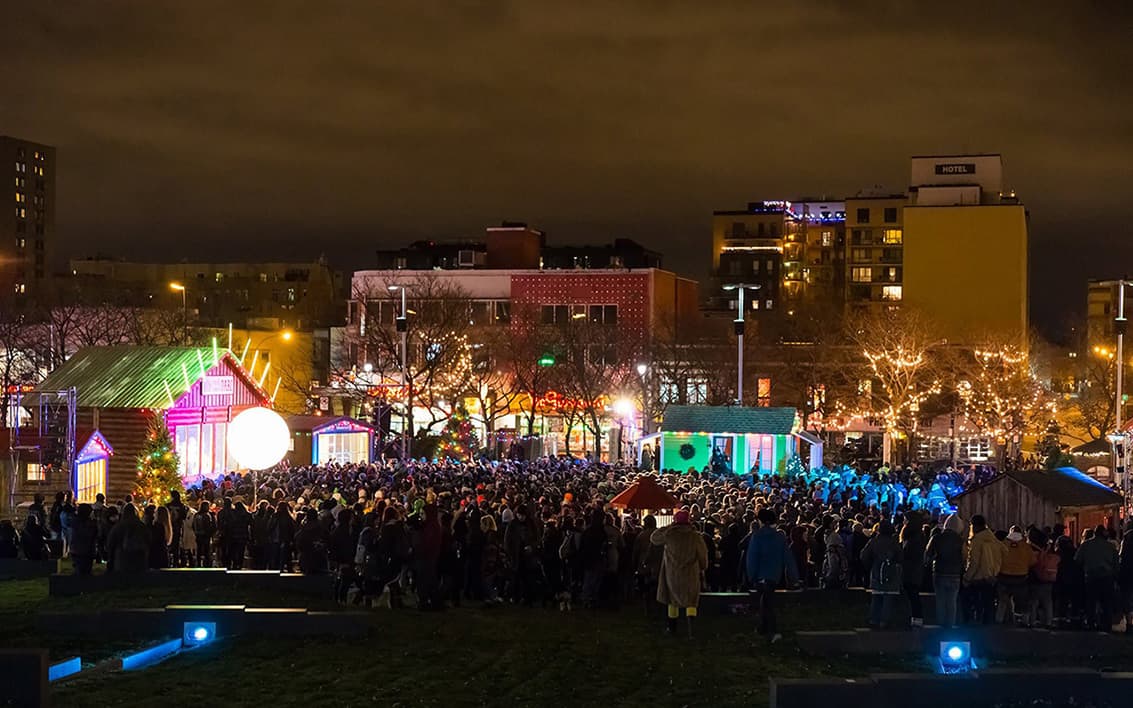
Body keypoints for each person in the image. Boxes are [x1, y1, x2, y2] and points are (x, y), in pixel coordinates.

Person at [651, 508, 708, 637]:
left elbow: (654, 538)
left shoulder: (670, 534)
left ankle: (672, 628)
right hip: (691, 572)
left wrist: (667, 527)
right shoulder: (695, 536)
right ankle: (690, 628)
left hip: (672, 572)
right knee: (691, 599)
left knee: (672, 599)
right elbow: (703, 556)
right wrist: (703, 567)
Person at [745, 508, 798, 642]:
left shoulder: (756, 536)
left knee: (766, 603)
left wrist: (751, 575)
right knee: (767, 602)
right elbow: (788, 558)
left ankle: (770, 631)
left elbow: (752, 558)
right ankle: (764, 629)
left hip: (760, 576)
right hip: (774, 576)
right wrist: (794, 577)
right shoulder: (780, 537)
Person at [924, 514, 965, 628]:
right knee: (952, 601)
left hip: (939, 571)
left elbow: (927, 554)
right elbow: (965, 556)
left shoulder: (937, 538)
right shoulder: (960, 540)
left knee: (940, 600)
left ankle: (941, 624)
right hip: (955, 574)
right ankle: (950, 624)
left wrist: (929, 563)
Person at [1076, 525, 1119, 631]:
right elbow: (1116, 563)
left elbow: (1078, 560)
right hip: (1106, 577)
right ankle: (1107, 624)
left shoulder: (1086, 545)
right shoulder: (1110, 546)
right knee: (1106, 603)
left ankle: (1091, 623)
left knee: (1091, 602)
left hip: (1091, 577)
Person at [860, 520, 901, 629]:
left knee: (876, 597)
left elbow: (864, 555)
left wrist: (871, 565)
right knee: (888, 599)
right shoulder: (894, 542)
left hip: (877, 572)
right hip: (891, 573)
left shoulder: (873, 542)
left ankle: (873, 620)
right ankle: (885, 622)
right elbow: (900, 557)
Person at [963, 515, 1002, 624]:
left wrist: (967, 577)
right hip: (991, 577)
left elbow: (974, 562)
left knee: (975, 603)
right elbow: (1004, 552)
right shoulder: (993, 539)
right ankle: (988, 630)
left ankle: (975, 627)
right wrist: (995, 571)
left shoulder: (977, 541)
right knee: (988, 604)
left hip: (977, 578)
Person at [997, 526, 1036, 625]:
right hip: (1021, 577)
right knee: (1022, 602)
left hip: (1004, 576)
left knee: (1003, 601)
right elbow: (1033, 561)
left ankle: (999, 620)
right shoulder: (1026, 546)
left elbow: (997, 560)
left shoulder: (1003, 545)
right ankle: (1024, 621)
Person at [632, 515, 664, 617]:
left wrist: (634, 563)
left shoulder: (641, 536)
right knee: (657, 587)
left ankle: (647, 608)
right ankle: (658, 607)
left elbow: (636, 551)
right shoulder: (659, 534)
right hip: (658, 565)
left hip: (644, 564)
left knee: (646, 588)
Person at [900, 514, 927, 628]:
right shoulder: (919, 536)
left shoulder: (913, 538)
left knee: (912, 594)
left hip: (910, 570)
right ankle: (915, 617)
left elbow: (908, 554)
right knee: (912, 594)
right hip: (914, 570)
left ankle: (916, 618)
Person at [106, 504, 150, 573]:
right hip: (139, 560)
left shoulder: (118, 526)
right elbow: (148, 540)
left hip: (121, 560)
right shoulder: (142, 526)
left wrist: (111, 558)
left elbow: (111, 543)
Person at [1029, 528, 1058, 629]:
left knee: (1034, 601)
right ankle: (1048, 622)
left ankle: (1032, 621)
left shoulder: (1032, 549)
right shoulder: (1048, 548)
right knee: (1048, 601)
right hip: (1049, 577)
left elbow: (1031, 564)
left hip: (1036, 577)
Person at [69, 504, 98, 575]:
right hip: (86, 551)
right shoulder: (89, 525)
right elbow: (90, 536)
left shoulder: (75, 521)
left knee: (79, 571)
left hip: (76, 550)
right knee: (85, 572)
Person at [226, 501, 251, 570]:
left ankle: (234, 563)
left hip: (233, 535)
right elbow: (251, 523)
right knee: (241, 551)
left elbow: (229, 524)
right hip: (243, 535)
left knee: (233, 551)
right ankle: (239, 564)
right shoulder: (247, 514)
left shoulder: (232, 514)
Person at [167, 490, 187, 567]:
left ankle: (170, 561)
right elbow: (184, 516)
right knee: (177, 545)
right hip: (178, 527)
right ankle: (177, 561)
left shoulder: (168, 506)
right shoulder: (181, 506)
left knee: (170, 545)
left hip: (170, 527)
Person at [192, 501, 216, 567]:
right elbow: (213, 526)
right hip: (206, 536)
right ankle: (207, 564)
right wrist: (211, 533)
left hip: (199, 535)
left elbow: (193, 526)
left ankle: (199, 564)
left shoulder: (197, 515)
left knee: (199, 551)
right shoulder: (209, 515)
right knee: (207, 551)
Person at [1120, 523, 1133, 633]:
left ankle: (1129, 623)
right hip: (1128, 571)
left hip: (1128, 571)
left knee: (1128, 598)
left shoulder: (1127, 537)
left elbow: (1122, 555)